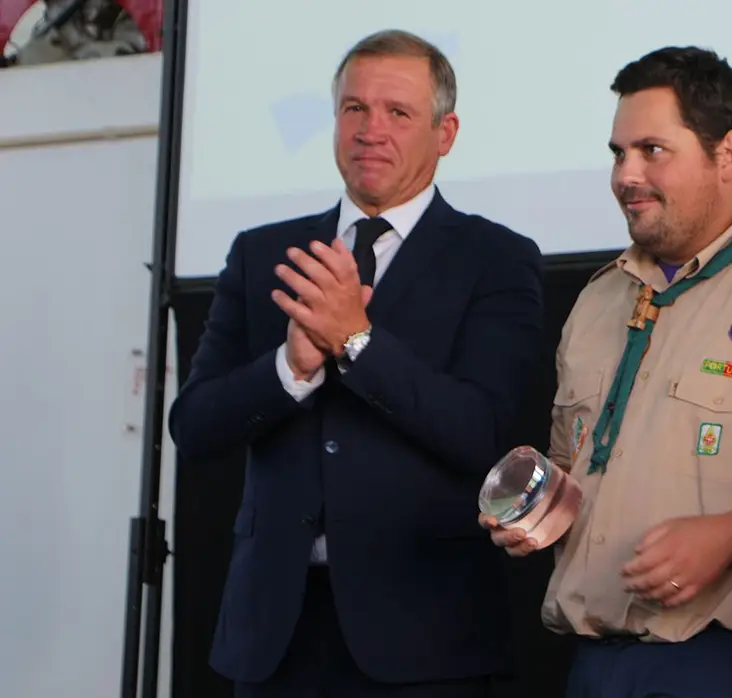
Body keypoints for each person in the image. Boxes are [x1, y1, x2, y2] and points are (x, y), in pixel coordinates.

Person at [480, 46, 732, 698]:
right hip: (596, 663)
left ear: (727, 154)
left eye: (652, 150)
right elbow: (580, 462)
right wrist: (538, 505)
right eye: (618, 153)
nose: (626, 174)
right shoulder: (599, 298)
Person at [169, 30, 544, 698]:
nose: (371, 130)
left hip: (423, 644)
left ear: (445, 132)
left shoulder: (495, 259)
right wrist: (289, 367)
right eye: (353, 109)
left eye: (398, 113)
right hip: (272, 639)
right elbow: (194, 426)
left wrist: (357, 343)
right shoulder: (262, 254)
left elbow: (483, 433)